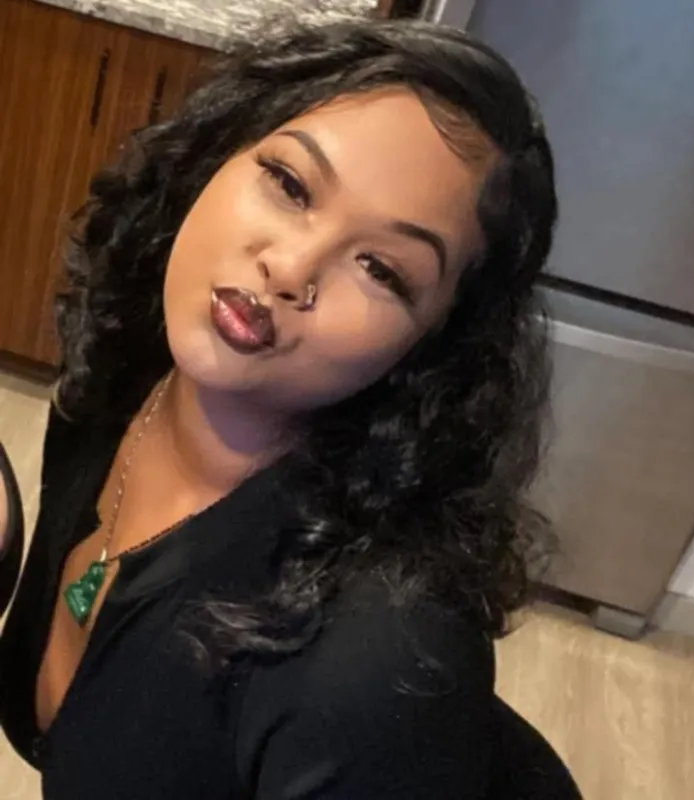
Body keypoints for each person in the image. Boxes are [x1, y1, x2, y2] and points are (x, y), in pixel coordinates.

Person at [0, 10, 580, 798]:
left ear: (433, 346)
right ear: (219, 150)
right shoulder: (128, 364)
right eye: (289, 183)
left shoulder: (374, 660)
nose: (291, 267)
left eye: (380, 269)